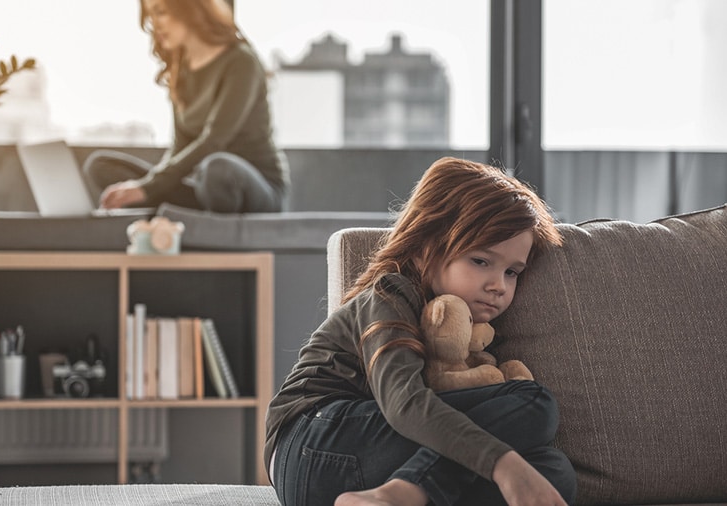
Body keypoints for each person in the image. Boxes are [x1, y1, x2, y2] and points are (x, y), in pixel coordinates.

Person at [265, 157, 577, 506]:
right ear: (425, 249)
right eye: (480, 261)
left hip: (364, 466)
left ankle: (398, 495)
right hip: (313, 444)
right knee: (533, 401)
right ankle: (403, 493)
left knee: (552, 471)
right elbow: (405, 403)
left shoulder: (474, 331)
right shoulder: (390, 294)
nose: (498, 286)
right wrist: (503, 463)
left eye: (512, 272)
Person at [84, 0, 290, 213]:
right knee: (101, 167)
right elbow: (179, 147)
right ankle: (186, 216)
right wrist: (147, 185)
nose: (154, 23)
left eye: (161, 12)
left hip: (252, 189)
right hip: (206, 189)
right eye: (150, 15)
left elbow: (214, 140)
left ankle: (180, 215)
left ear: (189, 8)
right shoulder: (180, 69)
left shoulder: (241, 61)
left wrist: (149, 188)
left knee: (217, 169)